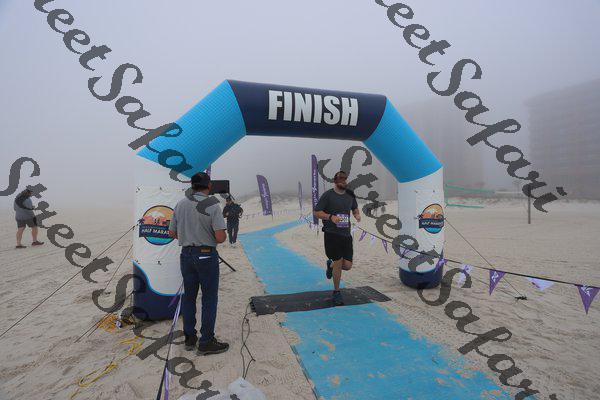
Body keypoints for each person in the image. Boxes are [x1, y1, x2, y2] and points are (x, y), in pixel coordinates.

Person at [168, 172, 229, 355]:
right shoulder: (212, 205)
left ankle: (190, 338)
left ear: (192, 186)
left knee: (189, 297)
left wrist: (188, 237)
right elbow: (220, 237)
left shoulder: (180, 204)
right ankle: (206, 341)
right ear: (209, 186)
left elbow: (172, 233)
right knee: (209, 299)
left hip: (186, 254)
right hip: (206, 256)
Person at [313, 170, 361, 306]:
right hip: (332, 234)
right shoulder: (328, 195)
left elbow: (355, 208)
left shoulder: (350, 195)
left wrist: (357, 215)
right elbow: (317, 212)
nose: (343, 181)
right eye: (340, 179)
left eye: (345, 179)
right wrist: (330, 217)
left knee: (347, 265)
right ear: (335, 181)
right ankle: (336, 292)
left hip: (346, 234)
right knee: (339, 262)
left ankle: (331, 265)